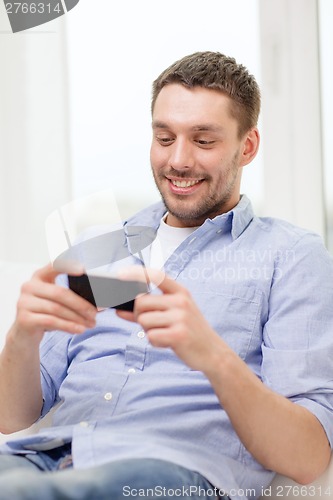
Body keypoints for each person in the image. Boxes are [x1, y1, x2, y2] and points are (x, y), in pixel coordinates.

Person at [0, 51, 333, 500]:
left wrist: (213, 355)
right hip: (40, 455)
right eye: (164, 137)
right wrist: (23, 334)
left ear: (247, 146)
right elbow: (13, 416)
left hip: (167, 473)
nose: (177, 160)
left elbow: (308, 458)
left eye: (203, 141)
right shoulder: (100, 246)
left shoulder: (290, 256)